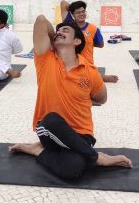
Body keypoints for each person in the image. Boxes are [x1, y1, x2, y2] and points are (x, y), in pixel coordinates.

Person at [9, 15, 132, 179]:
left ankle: (36, 150)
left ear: (77, 42)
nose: (59, 32)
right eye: (58, 31)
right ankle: (98, 157)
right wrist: (57, 35)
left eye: (65, 30)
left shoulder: (90, 71)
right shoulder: (45, 58)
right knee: (51, 119)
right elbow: (40, 20)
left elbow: (101, 98)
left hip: (81, 134)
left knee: (72, 169)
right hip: (50, 130)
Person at [60, 0, 118, 83]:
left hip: (87, 64)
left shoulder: (93, 29)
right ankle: (99, 77)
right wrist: (73, 8)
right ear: (72, 14)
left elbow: (101, 45)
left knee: (83, 76)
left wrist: (88, 42)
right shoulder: (68, 24)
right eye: (78, 12)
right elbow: (63, 3)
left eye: (83, 11)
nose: (81, 14)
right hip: (70, 63)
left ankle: (96, 76)